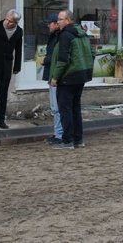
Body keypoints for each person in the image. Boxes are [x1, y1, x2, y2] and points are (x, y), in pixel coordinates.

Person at [50, 10, 94, 149]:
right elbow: (92, 53)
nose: (58, 21)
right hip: (80, 76)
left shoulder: (66, 35)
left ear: (68, 20)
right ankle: (78, 139)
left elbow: (63, 60)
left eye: (60, 19)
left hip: (68, 77)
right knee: (75, 108)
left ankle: (67, 141)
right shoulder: (82, 33)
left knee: (65, 110)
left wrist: (55, 77)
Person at [41, 13, 63, 144]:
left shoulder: (59, 37)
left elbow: (58, 57)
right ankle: (57, 133)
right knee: (56, 107)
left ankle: (59, 135)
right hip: (53, 75)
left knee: (57, 107)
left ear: (56, 23)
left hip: (56, 76)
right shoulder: (54, 36)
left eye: (50, 23)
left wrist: (45, 60)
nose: (48, 25)